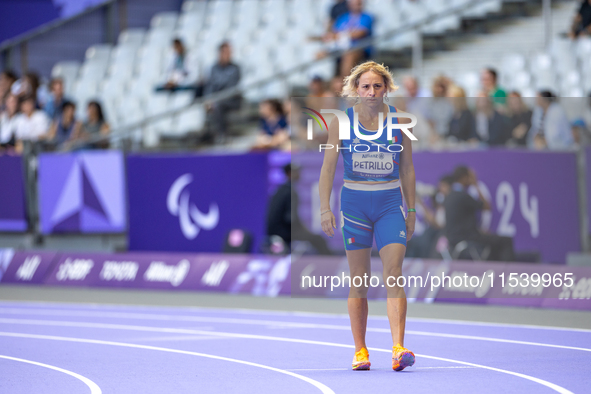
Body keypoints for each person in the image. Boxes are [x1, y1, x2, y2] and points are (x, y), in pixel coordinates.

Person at [319, 61, 416, 371]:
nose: (372, 91)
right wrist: (325, 208)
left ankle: (398, 348)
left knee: (394, 273)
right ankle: (360, 350)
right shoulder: (342, 123)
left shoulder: (400, 121)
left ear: (386, 88)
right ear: (355, 90)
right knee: (359, 280)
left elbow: (408, 168)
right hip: (356, 205)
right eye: (366, 86)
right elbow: (328, 168)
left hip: (389, 205)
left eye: (377, 86)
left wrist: (411, 210)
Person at [444, 165, 515, 262]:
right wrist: (476, 184)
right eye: (470, 177)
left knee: (492, 242)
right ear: (465, 177)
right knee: (506, 241)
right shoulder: (463, 196)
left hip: (453, 239)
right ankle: (509, 275)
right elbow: (487, 206)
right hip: (467, 237)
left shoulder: (449, 196)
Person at [267, 164, 333, 255]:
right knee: (318, 239)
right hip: (285, 232)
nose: (299, 174)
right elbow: (291, 219)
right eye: (296, 171)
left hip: (274, 231)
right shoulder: (291, 192)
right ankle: (329, 265)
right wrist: (304, 231)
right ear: (289, 173)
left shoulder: (280, 190)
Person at [203, 42, 241, 143]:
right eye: (226, 52)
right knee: (209, 105)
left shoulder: (235, 68)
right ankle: (208, 135)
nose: (228, 55)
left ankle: (222, 134)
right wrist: (208, 99)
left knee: (217, 105)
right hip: (217, 99)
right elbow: (210, 85)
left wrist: (215, 96)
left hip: (231, 100)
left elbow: (231, 87)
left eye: (229, 52)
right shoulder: (214, 68)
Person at [325, 0, 373, 76]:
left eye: (359, 4)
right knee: (322, 54)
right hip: (341, 47)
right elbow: (334, 34)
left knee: (349, 55)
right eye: (355, 4)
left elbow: (360, 33)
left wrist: (341, 35)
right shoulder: (342, 18)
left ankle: (345, 81)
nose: (357, 6)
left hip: (359, 48)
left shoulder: (367, 17)